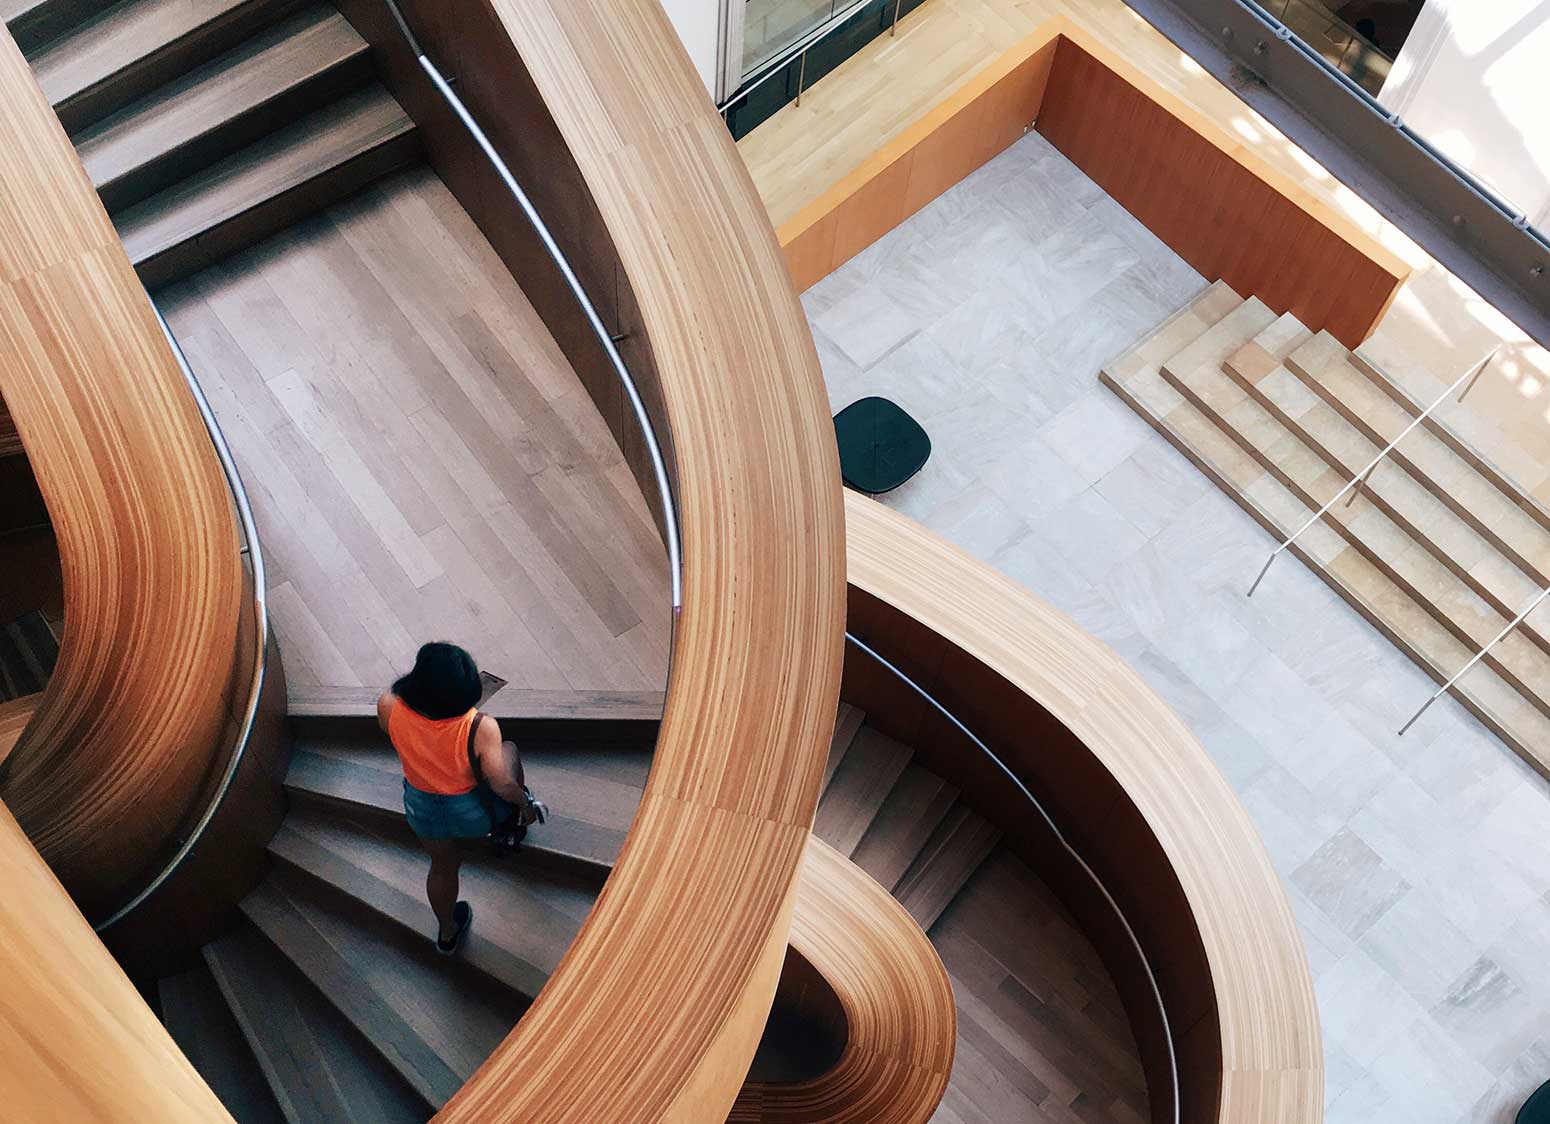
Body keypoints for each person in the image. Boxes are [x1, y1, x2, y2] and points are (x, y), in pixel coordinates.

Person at [377, 642, 536, 954]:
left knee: (441, 865)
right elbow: (501, 784)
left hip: (422, 807)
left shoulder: (388, 704)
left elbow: (396, 735)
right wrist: (525, 804)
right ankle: (517, 820)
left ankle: (447, 933)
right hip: (471, 811)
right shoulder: (481, 727)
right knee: (510, 752)